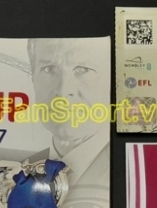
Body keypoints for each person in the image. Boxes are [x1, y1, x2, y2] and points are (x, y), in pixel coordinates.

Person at [27, 38, 110, 190]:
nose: (63, 91)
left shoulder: (135, 169)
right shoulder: (18, 174)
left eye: (83, 70)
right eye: (49, 69)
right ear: (33, 80)